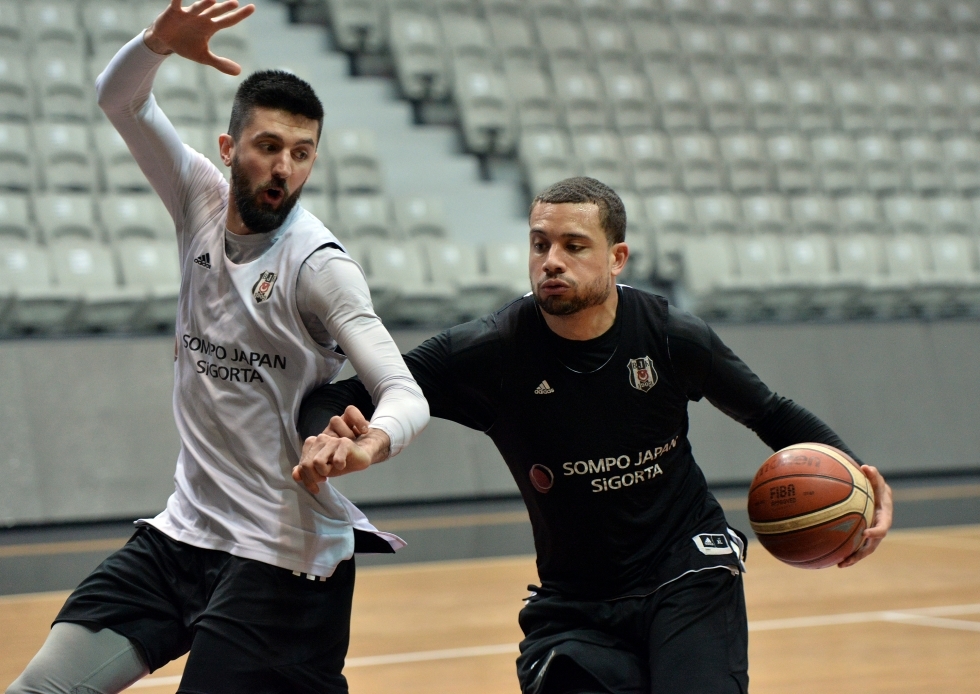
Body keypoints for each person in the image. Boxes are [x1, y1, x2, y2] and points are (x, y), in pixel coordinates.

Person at [295, 176, 894, 694]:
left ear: (617, 258)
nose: (551, 260)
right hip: (575, 598)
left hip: (685, 566)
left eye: (573, 245)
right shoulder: (490, 351)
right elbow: (339, 394)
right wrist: (322, 434)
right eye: (540, 244)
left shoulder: (668, 334)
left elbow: (770, 412)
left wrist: (862, 478)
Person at [7, 2, 428, 693]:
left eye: (301, 153)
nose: (283, 168)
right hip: (185, 535)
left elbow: (406, 393)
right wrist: (156, 43)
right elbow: (119, 98)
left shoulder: (320, 266)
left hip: (283, 556)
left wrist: (368, 445)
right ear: (229, 150)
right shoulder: (198, 197)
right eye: (267, 146)